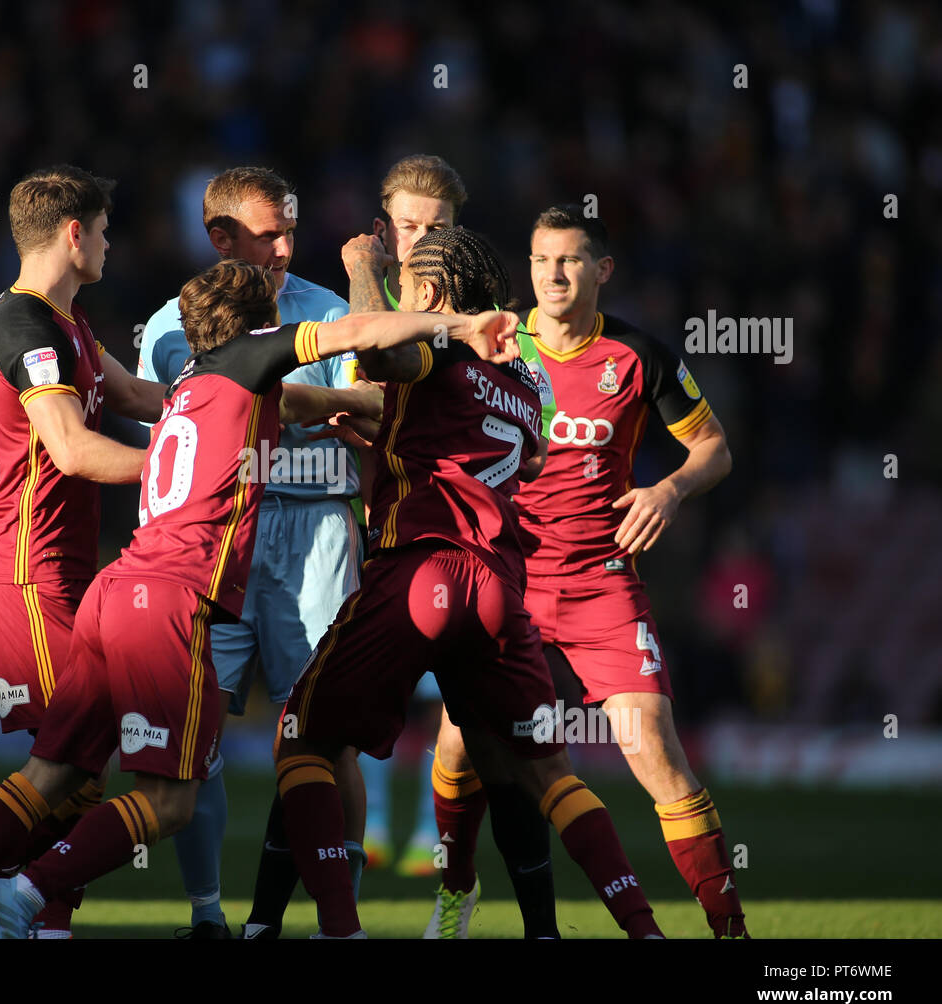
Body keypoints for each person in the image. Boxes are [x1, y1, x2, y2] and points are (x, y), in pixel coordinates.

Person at [0, 258, 522, 939]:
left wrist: (369, 409)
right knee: (168, 800)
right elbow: (361, 328)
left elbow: (306, 403)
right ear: (264, 324)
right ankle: (22, 894)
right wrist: (459, 323)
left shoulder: (192, 382)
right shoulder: (252, 357)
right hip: (172, 598)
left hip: (117, 585)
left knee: (50, 770)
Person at [275, 227, 663, 940]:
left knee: (301, 740)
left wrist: (365, 272)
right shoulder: (524, 379)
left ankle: (336, 927)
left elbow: (374, 352)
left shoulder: (440, 344)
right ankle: (643, 930)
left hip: (421, 568)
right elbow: (524, 459)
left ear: (429, 294)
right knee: (545, 772)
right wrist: (387, 444)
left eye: (411, 285)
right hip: (499, 589)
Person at [431, 204, 747, 938]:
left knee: (657, 755)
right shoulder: (497, 342)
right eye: (541, 260)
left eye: (570, 260)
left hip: (601, 583)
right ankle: (455, 890)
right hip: (504, 576)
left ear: (602, 270)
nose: (553, 274)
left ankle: (731, 929)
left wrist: (669, 487)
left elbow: (715, 451)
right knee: (455, 746)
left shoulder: (640, 357)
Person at [0, 164, 167, 940]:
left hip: (57, 572)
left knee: (77, 767)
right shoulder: (22, 324)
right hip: (27, 571)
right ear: (73, 233)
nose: (111, 243)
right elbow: (74, 449)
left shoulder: (69, 325)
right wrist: (193, 464)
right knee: (72, 767)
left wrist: (237, 406)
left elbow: (130, 397)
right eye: (105, 228)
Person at [317, 155, 561, 940]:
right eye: (410, 224)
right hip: (385, 540)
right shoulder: (351, 308)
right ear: (388, 227)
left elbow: (373, 371)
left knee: (440, 742)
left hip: (445, 552)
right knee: (364, 740)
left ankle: (441, 879)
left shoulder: (488, 332)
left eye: (438, 227)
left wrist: (297, 395)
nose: (422, 238)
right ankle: (415, 884)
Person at [138, 167, 369, 938]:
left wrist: (307, 405)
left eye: (290, 230)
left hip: (319, 530)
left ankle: (346, 912)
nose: (285, 247)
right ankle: (209, 914)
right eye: (268, 232)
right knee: (193, 735)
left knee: (323, 735)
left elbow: (377, 405)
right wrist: (309, 402)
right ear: (219, 237)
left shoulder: (327, 309)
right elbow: (163, 440)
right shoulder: (169, 327)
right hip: (220, 539)